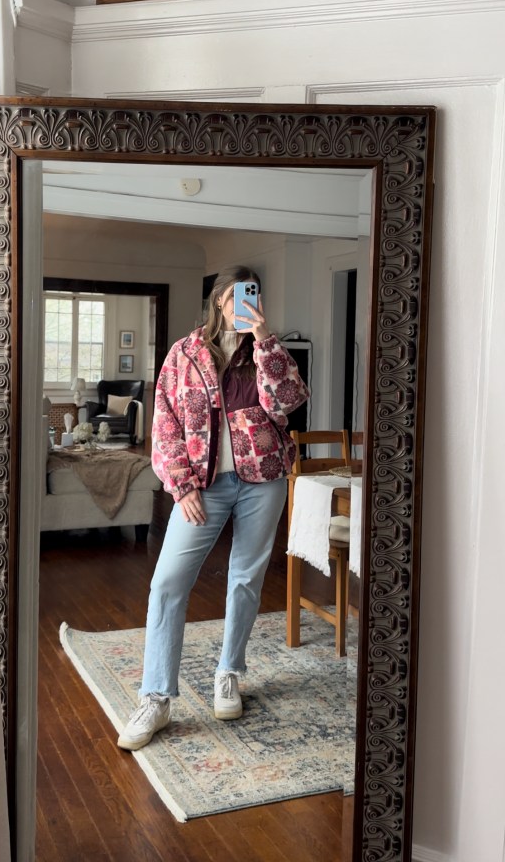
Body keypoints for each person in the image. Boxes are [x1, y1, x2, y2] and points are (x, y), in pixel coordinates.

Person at [117, 265, 309, 750]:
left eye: (254, 294)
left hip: (263, 480)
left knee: (245, 578)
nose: (246, 302)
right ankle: (156, 697)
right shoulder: (185, 353)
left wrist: (264, 340)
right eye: (238, 294)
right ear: (220, 299)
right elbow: (164, 423)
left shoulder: (265, 349)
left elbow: (288, 403)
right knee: (167, 582)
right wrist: (181, 486)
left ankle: (229, 673)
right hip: (203, 486)